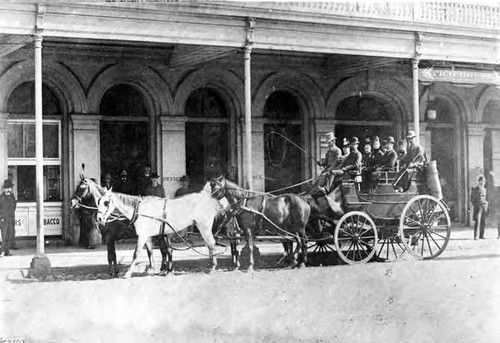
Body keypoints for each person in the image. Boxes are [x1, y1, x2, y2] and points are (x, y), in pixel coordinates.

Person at [0, 179, 16, 256]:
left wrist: (12, 215)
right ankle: (2, 251)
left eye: (10, 188)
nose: (9, 189)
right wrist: (1, 217)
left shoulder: (12, 196)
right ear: (4, 189)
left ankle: (7, 251)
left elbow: (14, 206)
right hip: (3, 219)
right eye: (7, 188)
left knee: (10, 235)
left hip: (10, 218)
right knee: (4, 235)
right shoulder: (1, 197)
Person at [471, 175, 488, 240]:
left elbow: (487, 198)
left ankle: (481, 235)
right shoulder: (474, 189)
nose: (482, 183)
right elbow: (472, 198)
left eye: (483, 182)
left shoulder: (485, 190)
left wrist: (486, 204)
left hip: (483, 207)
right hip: (477, 207)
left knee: (483, 221)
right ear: (478, 182)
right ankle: (476, 236)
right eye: (481, 182)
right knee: (477, 221)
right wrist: (475, 204)